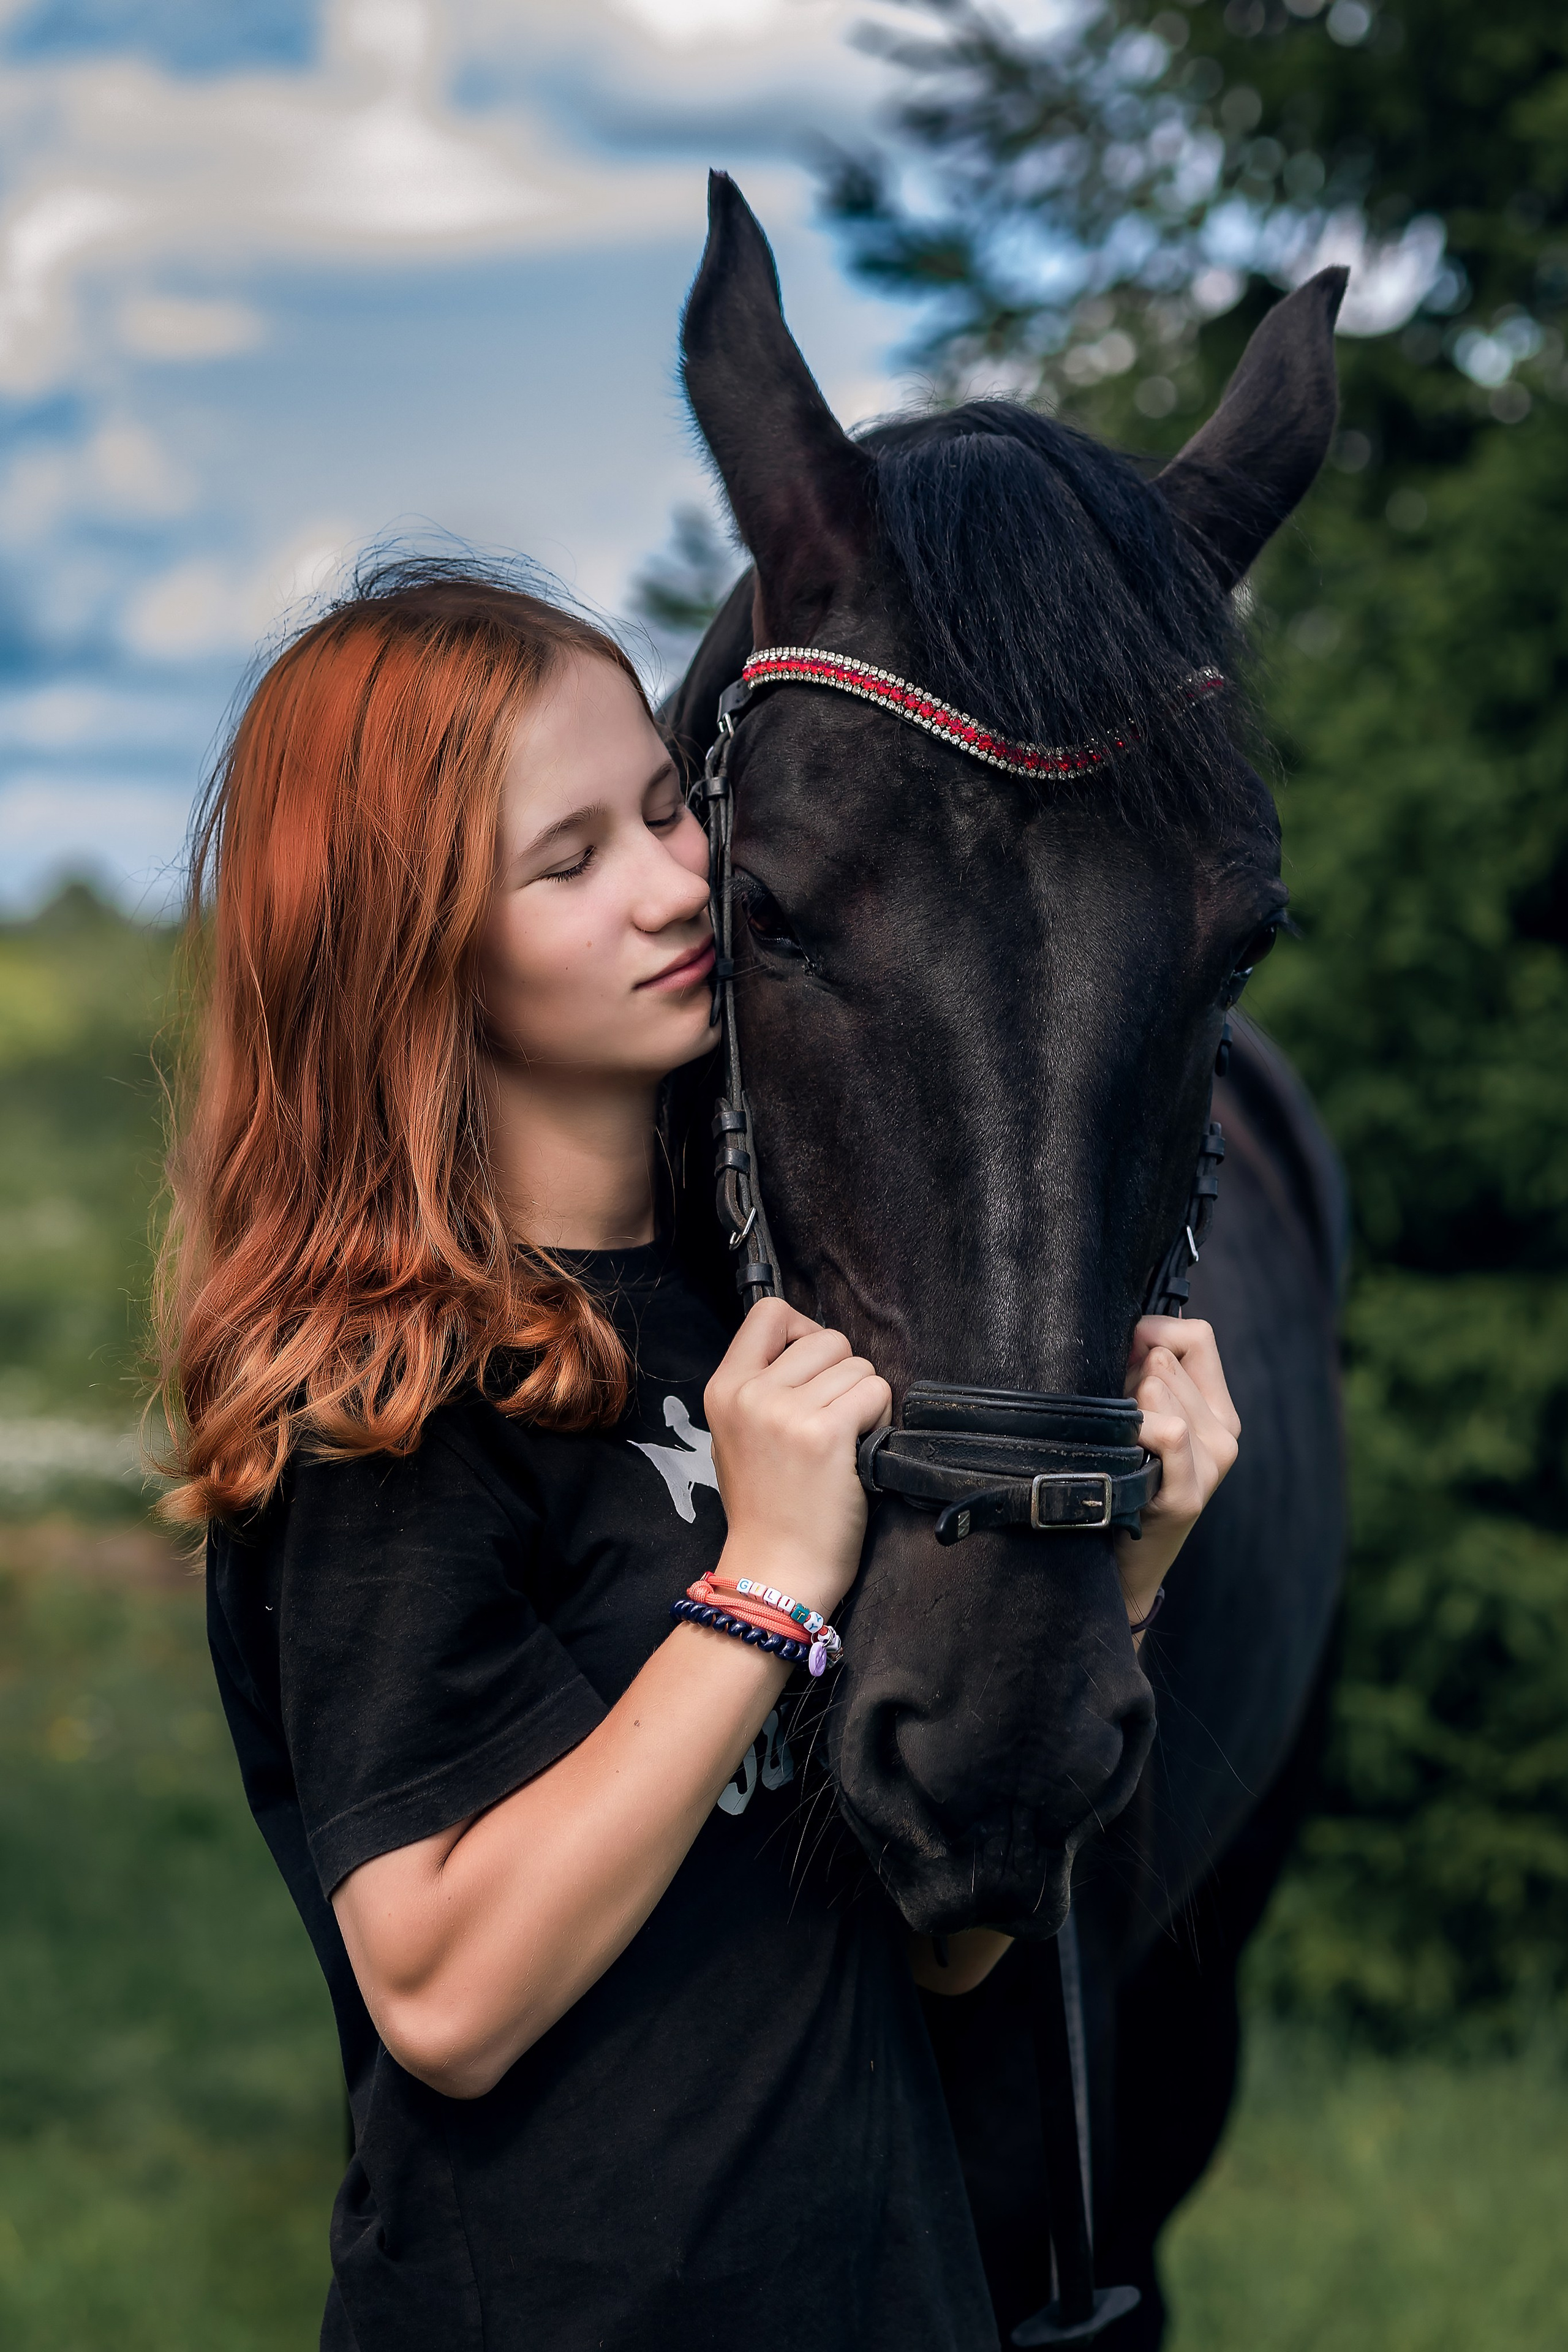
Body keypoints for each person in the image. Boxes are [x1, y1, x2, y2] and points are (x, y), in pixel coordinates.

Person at [158, 562, 1240, 2352]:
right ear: (404, 941)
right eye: (568, 861)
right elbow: (442, 1991)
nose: (679, 885)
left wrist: (1126, 1569)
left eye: (668, 808)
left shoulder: (749, 1333)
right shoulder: (388, 1399)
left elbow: (936, 1942)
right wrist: (764, 1586)